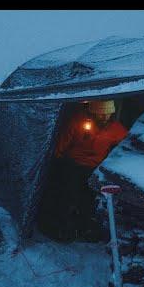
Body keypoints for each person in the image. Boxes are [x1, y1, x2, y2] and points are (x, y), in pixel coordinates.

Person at [37, 100, 128, 242]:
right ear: (93, 112)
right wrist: (56, 161)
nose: (104, 117)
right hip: (73, 164)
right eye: (101, 114)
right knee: (66, 195)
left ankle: (83, 227)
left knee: (87, 198)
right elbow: (62, 143)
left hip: (94, 168)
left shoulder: (115, 128)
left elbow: (125, 142)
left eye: (108, 113)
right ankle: (58, 227)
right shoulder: (78, 122)